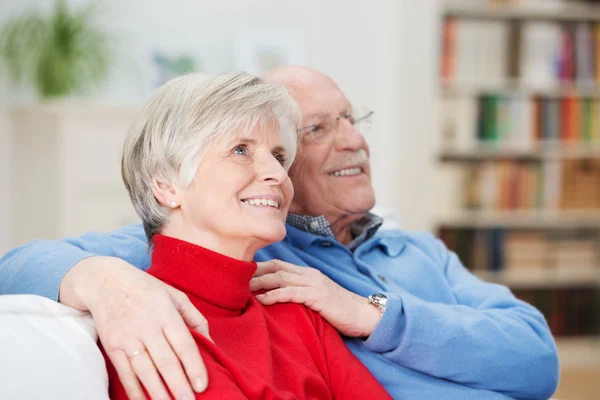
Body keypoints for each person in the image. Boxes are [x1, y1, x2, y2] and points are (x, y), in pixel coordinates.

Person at [0, 66, 559, 400]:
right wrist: (99, 279)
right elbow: (19, 266)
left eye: (352, 119)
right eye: (316, 129)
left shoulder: (415, 250)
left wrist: (372, 315)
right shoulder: (260, 251)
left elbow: (538, 360)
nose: (351, 140)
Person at [105, 71, 391, 399]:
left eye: (279, 156)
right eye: (241, 150)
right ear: (166, 184)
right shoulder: (146, 326)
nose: (277, 174)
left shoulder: (297, 311)